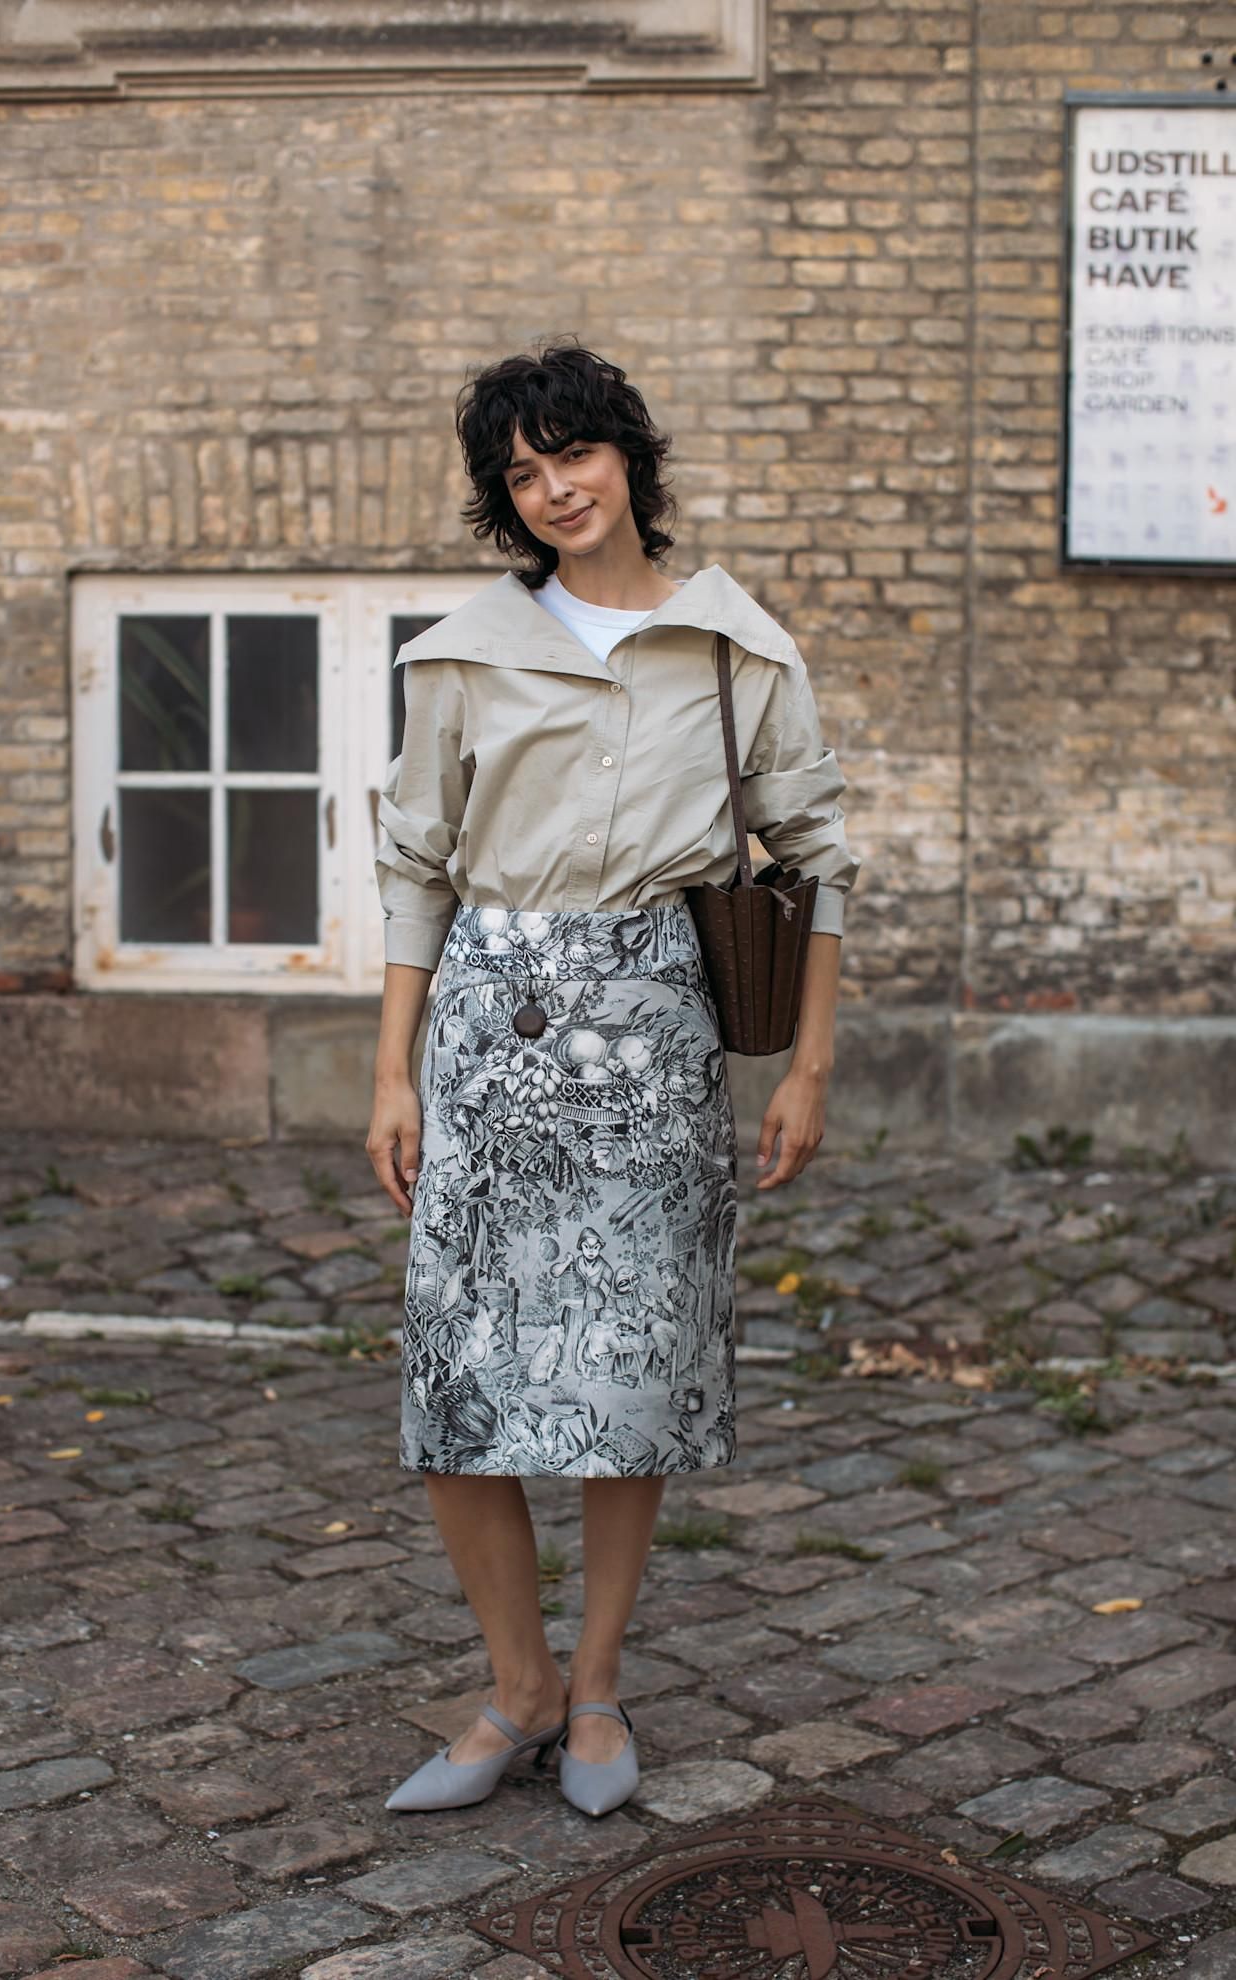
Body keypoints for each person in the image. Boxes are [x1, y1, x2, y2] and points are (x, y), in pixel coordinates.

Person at [366, 338, 861, 1818]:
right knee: (461, 1377)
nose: (551, 488)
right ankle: (511, 1684)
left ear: (629, 458)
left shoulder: (735, 648)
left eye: (569, 453)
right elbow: (413, 867)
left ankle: (592, 1689)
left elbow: (818, 861)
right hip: (484, 1035)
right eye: (519, 473)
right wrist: (389, 1074)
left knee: (622, 1376)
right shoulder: (462, 652)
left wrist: (810, 1068)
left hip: (651, 1040)